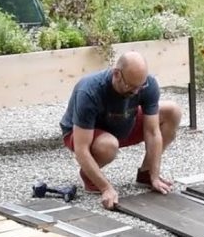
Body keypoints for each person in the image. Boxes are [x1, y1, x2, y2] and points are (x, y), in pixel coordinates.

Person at [60, 51, 182, 209]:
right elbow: (81, 149)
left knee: (172, 111)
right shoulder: (89, 90)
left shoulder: (147, 84)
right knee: (108, 145)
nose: (136, 92)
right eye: (131, 86)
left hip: (122, 123)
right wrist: (106, 188)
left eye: (140, 86)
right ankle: (89, 176)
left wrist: (155, 175)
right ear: (116, 74)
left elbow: (152, 132)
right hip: (84, 133)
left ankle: (146, 174)